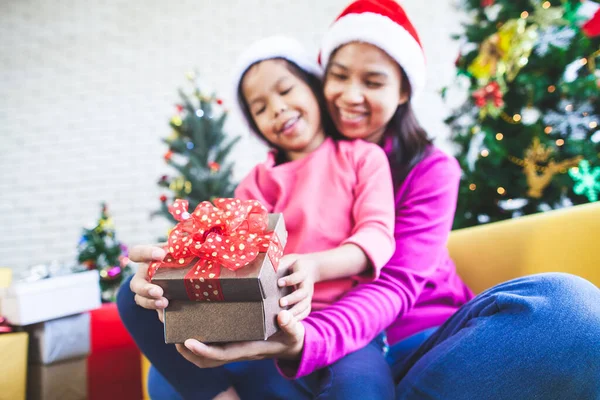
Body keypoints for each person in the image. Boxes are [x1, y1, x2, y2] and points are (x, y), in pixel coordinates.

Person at [121, 1, 600, 399]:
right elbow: (241, 254)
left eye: (372, 82)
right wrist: (178, 270)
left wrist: (306, 341)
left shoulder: (421, 169)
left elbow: (390, 284)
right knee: (172, 374)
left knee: (567, 309)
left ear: (403, 90)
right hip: (304, 339)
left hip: (418, 345)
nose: (351, 96)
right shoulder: (267, 181)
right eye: (339, 76)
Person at [119, 34, 399, 399]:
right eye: (260, 108)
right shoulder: (255, 185)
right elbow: (231, 259)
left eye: (286, 91)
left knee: (362, 388)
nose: (278, 109)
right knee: (131, 293)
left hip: (345, 332)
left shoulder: (362, 158)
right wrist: (176, 261)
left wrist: (314, 266)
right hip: (266, 325)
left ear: (314, 90)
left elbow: (377, 236)